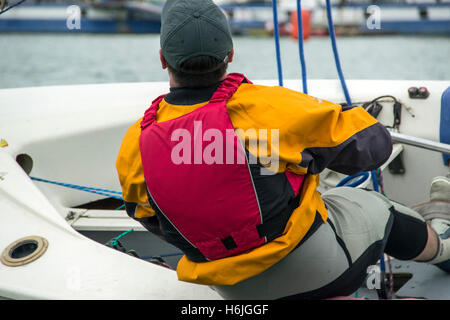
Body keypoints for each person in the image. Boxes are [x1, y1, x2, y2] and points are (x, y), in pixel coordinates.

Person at [116, 0, 450, 299]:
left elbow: (151, 217)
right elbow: (374, 147)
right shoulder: (270, 108)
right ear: (230, 55)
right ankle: (443, 246)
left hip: (229, 289)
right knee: (376, 207)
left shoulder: (137, 141)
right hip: (315, 270)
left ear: (163, 59)